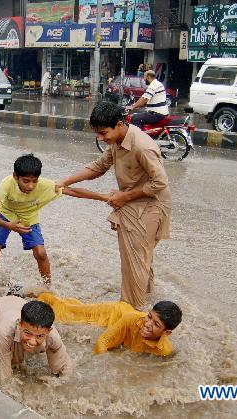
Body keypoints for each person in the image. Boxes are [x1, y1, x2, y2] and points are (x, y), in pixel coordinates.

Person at [56, 101, 172, 309]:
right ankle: (146, 301)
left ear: (119, 124)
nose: (100, 138)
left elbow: (160, 183)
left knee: (134, 262)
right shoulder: (117, 142)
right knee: (141, 258)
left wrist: (125, 197)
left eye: (103, 133)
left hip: (149, 206)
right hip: (135, 202)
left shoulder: (142, 147)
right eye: (97, 134)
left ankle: (131, 312)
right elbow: (99, 167)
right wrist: (66, 182)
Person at [0, 154, 110, 302]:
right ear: (15, 176)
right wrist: (11, 226)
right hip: (5, 216)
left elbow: (72, 191)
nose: (30, 186)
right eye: (26, 181)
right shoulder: (7, 184)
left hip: (29, 218)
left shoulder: (45, 185)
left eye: (34, 181)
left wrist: (103, 197)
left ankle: (47, 290)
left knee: (41, 253)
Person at [14, 288, 182, 356]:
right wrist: (103, 364)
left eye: (156, 324)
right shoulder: (132, 319)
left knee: (74, 308)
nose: (148, 323)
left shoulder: (164, 350)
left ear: (167, 333)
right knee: (67, 313)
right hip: (115, 313)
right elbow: (103, 341)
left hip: (121, 318)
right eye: (149, 316)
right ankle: (27, 295)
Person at [0, 296, 73, 385]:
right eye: (27, 333)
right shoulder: (5, 331)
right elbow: (5, 377)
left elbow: (63, 369)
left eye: (39, 336)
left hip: (15, 306)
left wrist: (60, 385)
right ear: (19, 325)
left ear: (48, 331)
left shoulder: (53, 337)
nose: (32, 342)